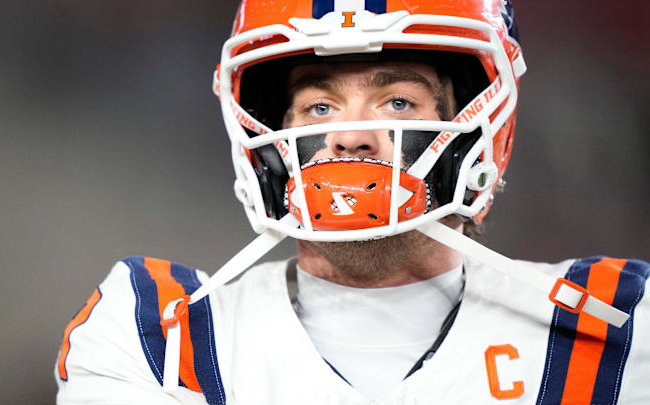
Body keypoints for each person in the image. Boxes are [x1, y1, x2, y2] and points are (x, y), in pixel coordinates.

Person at [54, 1, 650, 404]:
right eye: (320, 107)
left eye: (397, 103)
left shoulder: (621, 334)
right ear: (270, 142)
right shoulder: (163, 338)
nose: (349, 135)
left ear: (480, 133)